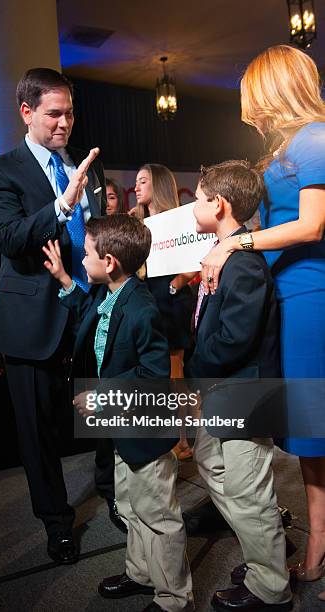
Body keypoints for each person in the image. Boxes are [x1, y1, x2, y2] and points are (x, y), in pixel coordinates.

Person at [200, 45, 325, 585]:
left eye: (253, 94)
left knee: (315, 427)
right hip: (284, 295)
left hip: (309, 297)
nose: (249, 108)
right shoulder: (285, 148)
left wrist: (237, 244)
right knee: (307, 432)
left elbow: (312, 225)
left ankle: (319, 545)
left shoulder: (317, 138)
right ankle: (320, 540)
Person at [0, 67, 107, 564]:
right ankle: (58, 524)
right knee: (38, 434)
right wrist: (61, 203)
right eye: (54, 114)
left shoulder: (85, 165)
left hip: (87, 310)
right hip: (30, 324)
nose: (64, 123)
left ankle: (113, 495)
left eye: (70, 112)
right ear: (27, 112)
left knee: (103, 416)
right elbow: (10, 239)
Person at [44, 214, 193, 612]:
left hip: (144, 432)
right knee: (129, 505)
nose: (82, 261)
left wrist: (100, 396)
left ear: (108, 262)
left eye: (87, 254)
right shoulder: (108, 294)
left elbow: (154, 374)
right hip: (120, 427)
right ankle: (142, 573)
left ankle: (174, 599)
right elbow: (89, 316)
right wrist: (62, 279)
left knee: (158, 514)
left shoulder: (142, 308)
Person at [187, 160, 292, 611]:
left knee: (249, 490)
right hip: (226, 393)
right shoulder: (223, 255)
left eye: (197, 196)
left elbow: (235, 339)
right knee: (211, 461)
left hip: (244, 394)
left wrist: (195, 372)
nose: (193, 204)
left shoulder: (243, 263)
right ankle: (266, 545)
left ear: (219, 204)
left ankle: (271, 587)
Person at [134, 163, 196, 459]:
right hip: (148, 299)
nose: (136, 187)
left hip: (172, 301)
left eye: (143, 181)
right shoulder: (138, 223)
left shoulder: (180, 220)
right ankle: (169, 436)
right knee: (157, 372)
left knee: (174, 371)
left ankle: (181, 440)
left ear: (156, 184)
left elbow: (197, 257)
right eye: (135, 181)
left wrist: (178, 282)